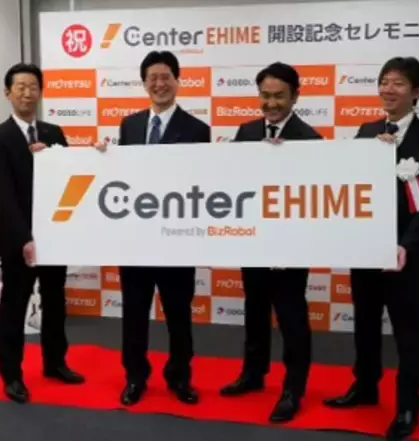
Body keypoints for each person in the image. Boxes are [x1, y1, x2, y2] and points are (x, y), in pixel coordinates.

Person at [323, 56, 419, 441]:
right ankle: (365, 386)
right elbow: (350, 186)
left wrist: (406, 246)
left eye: (397, 83)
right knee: (364, 323)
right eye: (383, 82)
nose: (387, 90)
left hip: (405, 255)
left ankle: (409, 403)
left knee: (408, 330)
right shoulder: (366, 131)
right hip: (366, 249)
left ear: (417, 91)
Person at [219, 62, 321, 423]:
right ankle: (253, 373)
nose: (271, 103)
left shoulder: (310, 139)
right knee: (255, 309)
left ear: (295, 96)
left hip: (290, 247)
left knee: (292, 316)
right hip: (254, 241)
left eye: (279, 96)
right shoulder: (246, 131)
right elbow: (232, 183)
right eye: (265, 95)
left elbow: (314, 198)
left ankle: (294, 388)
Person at [0, 63, 85, 404]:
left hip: (54, 236)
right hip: (17, 239)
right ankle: (11, 375)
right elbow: (4, 195)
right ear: (7, 93)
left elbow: (71, 177)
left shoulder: (53, 133)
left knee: (55, 303)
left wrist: (95, 155)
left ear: (41, 91)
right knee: (14, 306)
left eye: (33, 87)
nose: (27, 93)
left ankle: (55, 363)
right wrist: (25, 239)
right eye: (20, 87)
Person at [113, 51, 210, 406]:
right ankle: (135, 376)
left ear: (177, 81)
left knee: (179, 314)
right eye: (153, 77)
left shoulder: (198, 130)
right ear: (144, 83)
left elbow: (202, 185)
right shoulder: (129, 126)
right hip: (136, 241)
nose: (160, 83)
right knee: (134, 313)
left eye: (166, 76)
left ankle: (180, 376)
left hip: (176, 240)